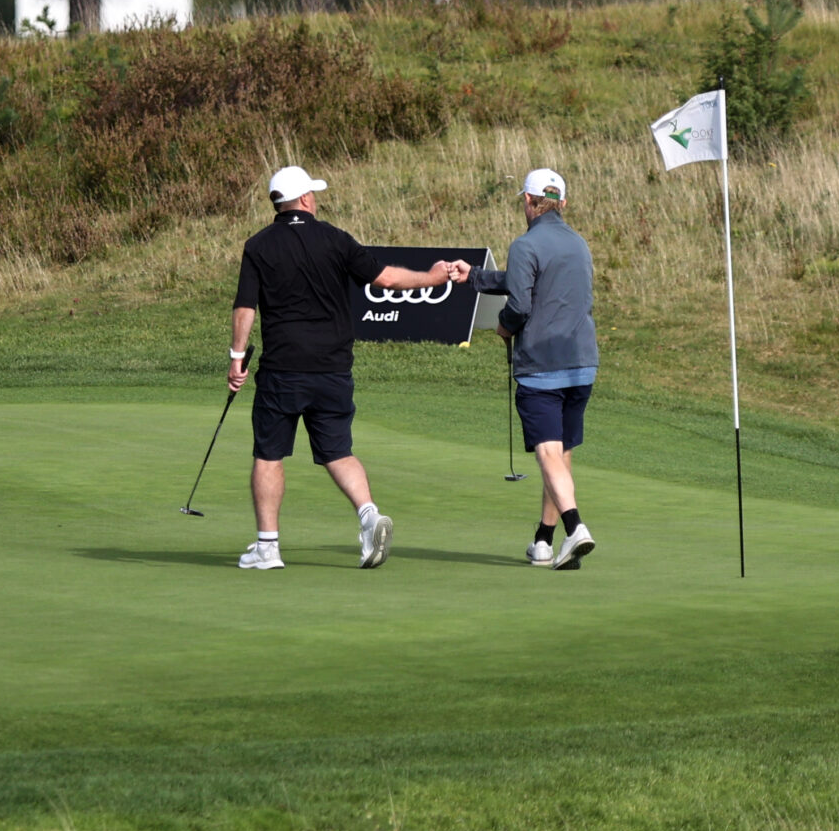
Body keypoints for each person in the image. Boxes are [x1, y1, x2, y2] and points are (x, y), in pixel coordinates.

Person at [229, 166, 470, 571]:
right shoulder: (335, 238)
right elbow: (387, 280)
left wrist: (237, 358)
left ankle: (268, 548)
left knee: (269, 455)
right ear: (306, 199)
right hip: (333, 368)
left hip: (283, 368)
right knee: (338, 452)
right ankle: (368, 515)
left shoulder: (258, 245)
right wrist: (433, 276)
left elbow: (244, 308)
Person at [459, 169, 599, 569]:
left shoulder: (525, 244)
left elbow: (519, 305)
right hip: (581, 365)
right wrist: (476, 277)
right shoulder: (579, 244)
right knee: (561, 454)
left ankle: (575, 528)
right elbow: (530, 280)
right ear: (562, 203)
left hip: (541, 366)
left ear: (527, 200)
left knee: (548, 454)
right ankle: (544, 541)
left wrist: (504, 326)